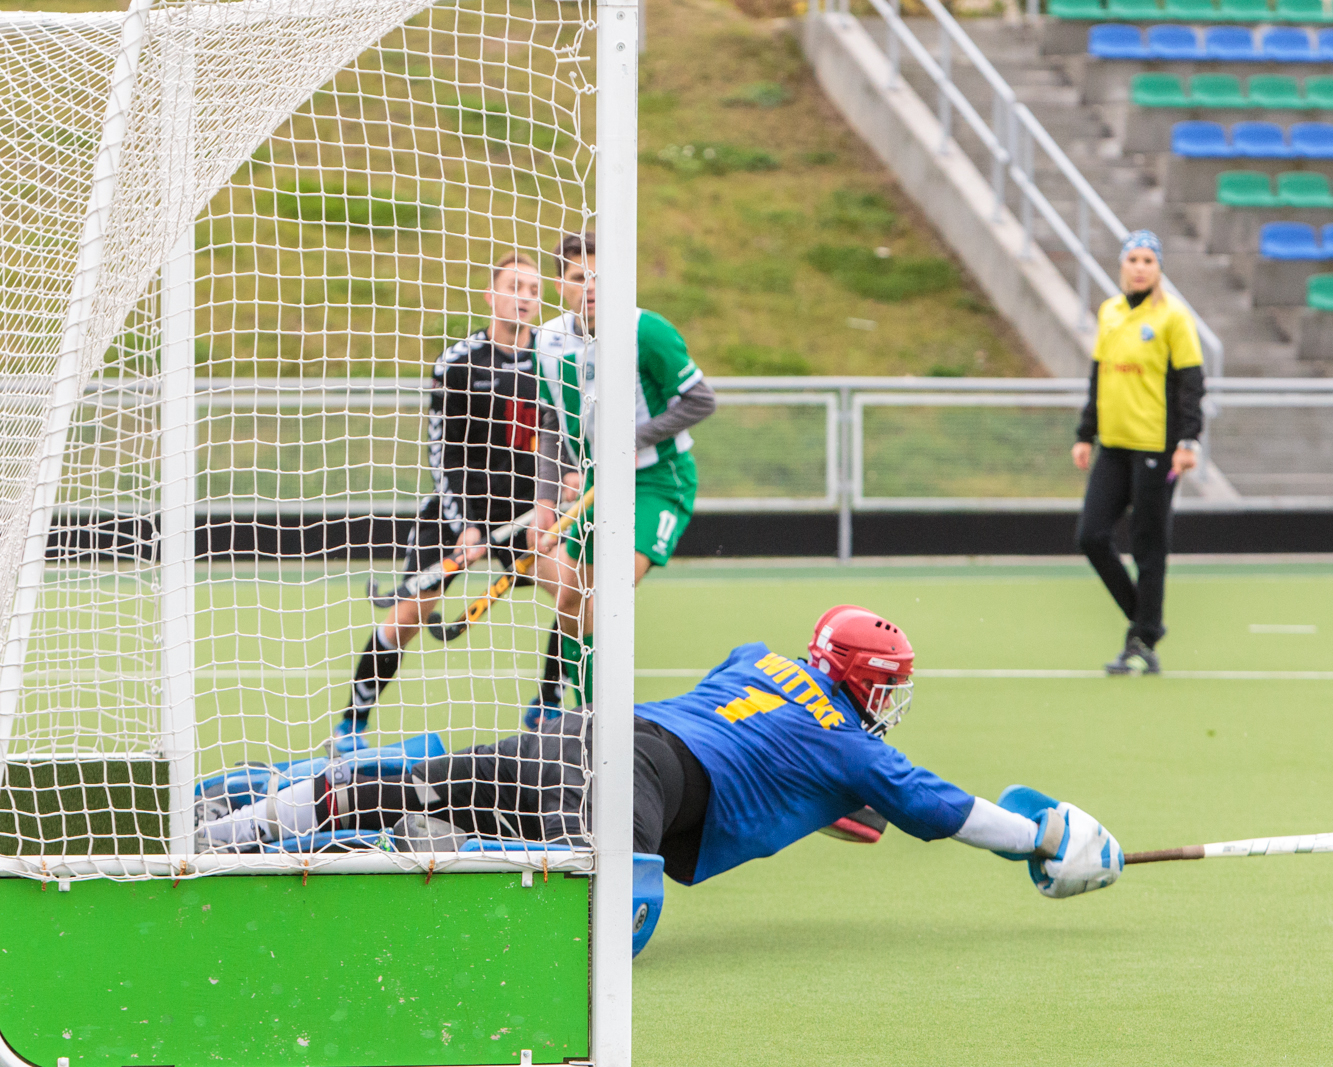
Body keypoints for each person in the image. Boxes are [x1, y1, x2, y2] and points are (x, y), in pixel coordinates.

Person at [197, 605, 1124, 925]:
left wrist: (820, 802)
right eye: (889, 688)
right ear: (866, 685)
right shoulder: (851, 746)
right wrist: (1045, 834)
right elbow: (945, 808)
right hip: (633, 788)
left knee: (422, 798)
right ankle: (344, 847)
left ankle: (227, 828)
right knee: (597, 936)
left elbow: (759, 746)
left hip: (583, 736)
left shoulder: (757, 657)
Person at [334, 251, 560, 750]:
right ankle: (351, 725)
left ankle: (548, 707)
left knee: (576, 594)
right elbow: (441, 454)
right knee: (412, 612)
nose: (524, 297)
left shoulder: (555, 360)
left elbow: (563, 436)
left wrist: (557, 491)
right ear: (490, 295)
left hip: (528, 511)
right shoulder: (457, 364)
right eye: (514, 286)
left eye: (533, 290)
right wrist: (466, 525)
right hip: (458, 506)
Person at [526, 232, 716, 723]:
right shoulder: (546, 341)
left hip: (658, 482)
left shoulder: (645, 331)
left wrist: (632, 440)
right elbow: (550, 424)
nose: (589, 286)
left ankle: (593, 717)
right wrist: (546, 500)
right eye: (576, 277)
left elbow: (701, 400)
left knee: (605, 593)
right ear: (559, 284)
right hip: (593, 493)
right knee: (571, 599)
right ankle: (573, 711)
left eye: (598, 277)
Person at [1072, 230, 1205, 677]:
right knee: (1091, 536)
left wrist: (1188, 442)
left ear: (1159, 267)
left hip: (1156, 448)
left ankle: (1143, 638)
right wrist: (1085, 433)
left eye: (1149, 259)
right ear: (1122, 265)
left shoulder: (1173, 317)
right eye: (1134, 258)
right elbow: (1099, 376)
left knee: (1149, 546)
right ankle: (1145, 620)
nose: (1141, 266)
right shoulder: (1109, 312)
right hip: (1113, 444)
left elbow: (1190, 383)